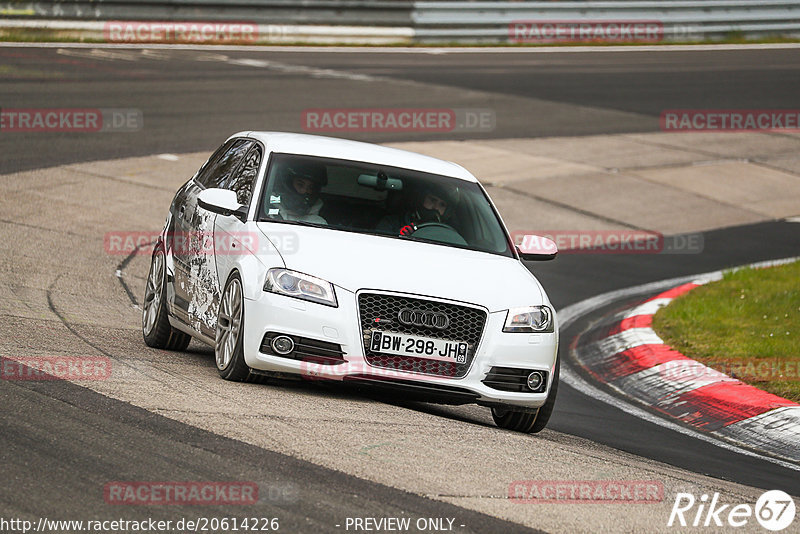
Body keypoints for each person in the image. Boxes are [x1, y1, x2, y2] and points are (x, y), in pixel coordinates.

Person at [376, 182, 458, 236]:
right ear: (421, 199)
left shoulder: (450, 234)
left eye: (442, 205)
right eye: (432, 200)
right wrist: (399, 236)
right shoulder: (391, 223)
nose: (435, 207)